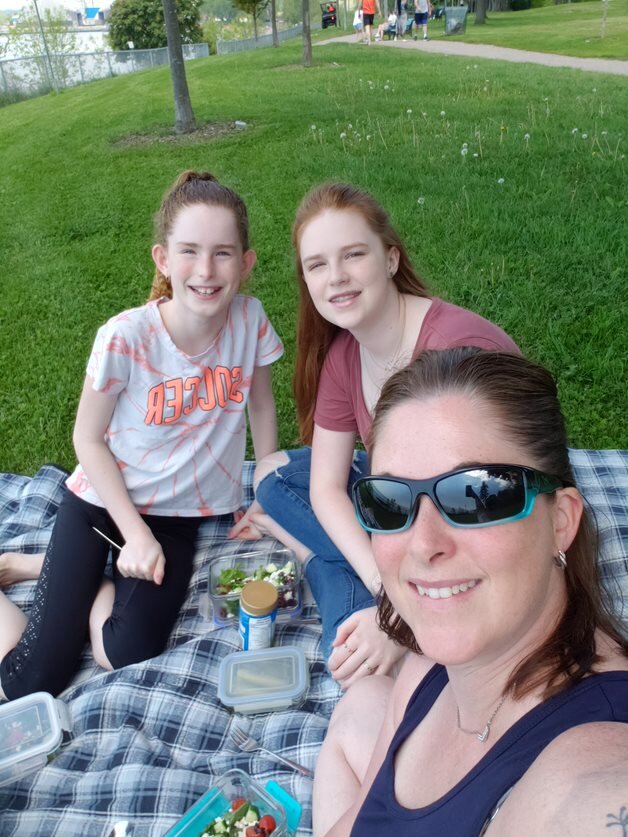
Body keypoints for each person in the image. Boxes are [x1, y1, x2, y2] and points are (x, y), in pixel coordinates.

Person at [314, 348, 628, 836]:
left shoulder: (591, 764)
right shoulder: (426, 667)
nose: (423, 545)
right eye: (390, 502)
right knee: (360, 702)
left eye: (476, 496)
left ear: (561, 521)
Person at [0, 171, 283, 701]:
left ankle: (81, 575)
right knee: (28, 683)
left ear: (246, 262)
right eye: (189, 251)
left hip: (177, 518)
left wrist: (266, 497)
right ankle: (39, 568)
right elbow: (87, 440)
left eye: (223, 253)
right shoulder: (125, 337)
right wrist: (133, 537)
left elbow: (262, 405)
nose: (205, 270)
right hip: (101, 507)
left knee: (125, 652)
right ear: (162, 258)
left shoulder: (250, 319)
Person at [231, 182, 519, 691]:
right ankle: (332, 565)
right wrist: (383, 584)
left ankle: (314, 559)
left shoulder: (456, 350)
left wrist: (397, 614)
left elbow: (482, 512)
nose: (336, 277)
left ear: (390, 258)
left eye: (353, 255)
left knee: (359, 670)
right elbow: (324, 487)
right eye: (317, 265)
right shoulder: (345, 354)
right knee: (273, 476)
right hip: (402, 502)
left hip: (467, 516)